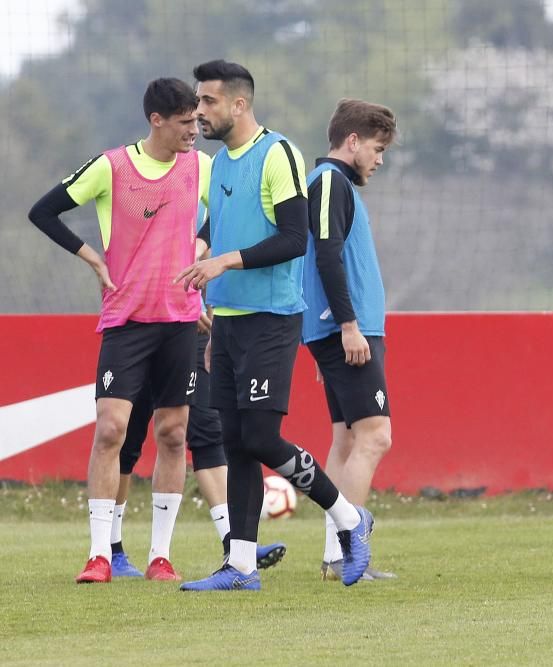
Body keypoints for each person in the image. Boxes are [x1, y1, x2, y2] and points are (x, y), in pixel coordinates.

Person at [175, 60, 372, 591]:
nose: (198, 112)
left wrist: (222, 261)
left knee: (261, 436)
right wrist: (202, 255)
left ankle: (350, 519)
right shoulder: (217, 165)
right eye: (197, 102)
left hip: (272, 318)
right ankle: (240, 565)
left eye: (208, 102)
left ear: (239, 104)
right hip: (231, 322)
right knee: (236, 442)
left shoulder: (277, 152)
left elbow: (294, 238)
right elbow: (219, 222)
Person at [28, 78, 210, 584]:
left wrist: (201, 250)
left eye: (196, 121)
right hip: (126, 322)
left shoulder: (202, 167)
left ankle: (160, 556)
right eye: (184, 122)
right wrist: (92, 259)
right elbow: (43, 211)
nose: (194, 131)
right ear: (157, 120)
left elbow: (228, 215)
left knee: (173, 434)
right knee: (111, 429)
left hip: (179, 321)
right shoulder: (112, 166)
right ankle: (99, 555)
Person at [111, 304, 287, 576]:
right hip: (142, 319)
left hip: (194, 328)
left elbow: (211, 265)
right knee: (126, 439)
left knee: (205, 434)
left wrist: (208, 307)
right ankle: (113, 550)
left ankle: (232, 543)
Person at [301, 99, 397, 581]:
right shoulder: (328, 182)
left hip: (340, 330)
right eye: (377, 149)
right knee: (376, 437)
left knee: (346, 440)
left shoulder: (333, 186)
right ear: (352, 142)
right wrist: (345, 325)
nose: (379, 160)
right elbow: (325, 256)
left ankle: (336, 557)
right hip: (347, 330)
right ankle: (350, 548)